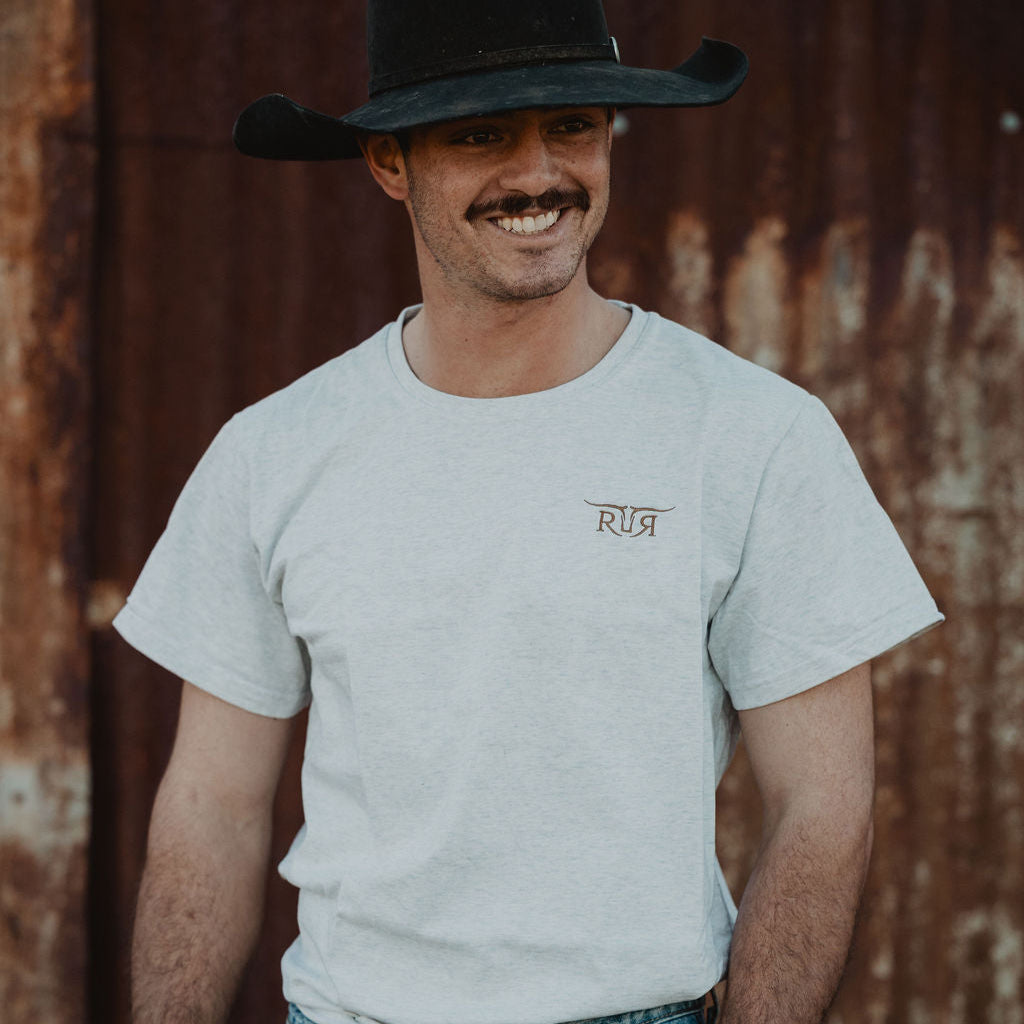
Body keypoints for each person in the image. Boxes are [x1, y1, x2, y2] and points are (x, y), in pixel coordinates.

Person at [114, 2, 945, 1023]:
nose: (538, 172)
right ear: (388, 162)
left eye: (573, 126)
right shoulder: (274, 451)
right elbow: (211, 810)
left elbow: (821, 807)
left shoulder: (752, 436)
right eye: (478, 133)